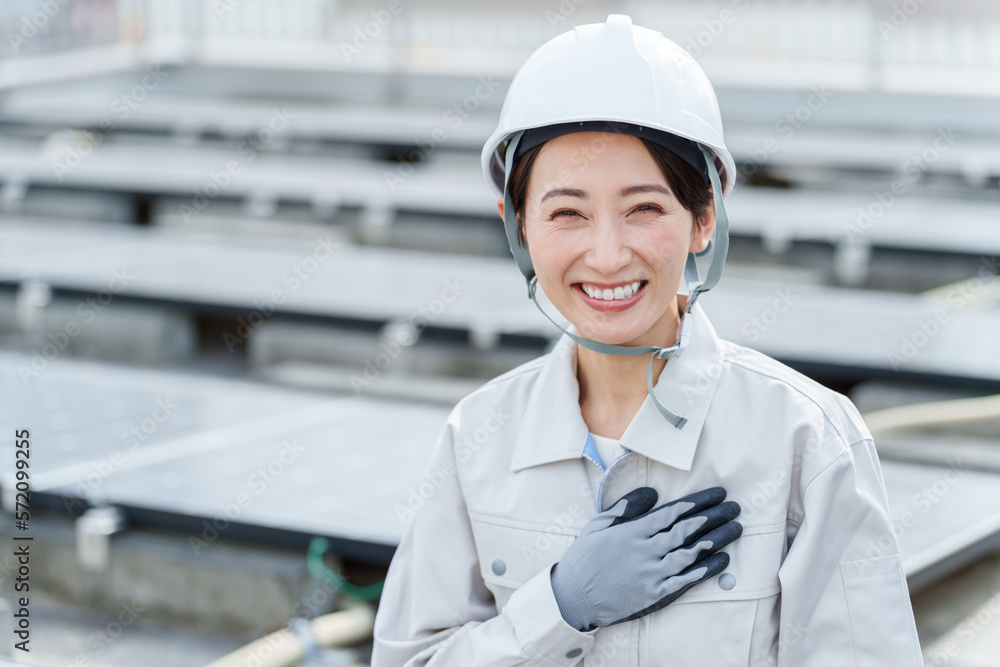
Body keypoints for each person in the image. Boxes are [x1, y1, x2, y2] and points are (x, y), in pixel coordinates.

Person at [371, 14, 923, 666]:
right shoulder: (479, 437)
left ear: (704, 219)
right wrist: (557, 607)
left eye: (644, 208)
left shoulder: (807, 438)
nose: (606, 257)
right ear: (517, 225)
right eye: (567, 212)